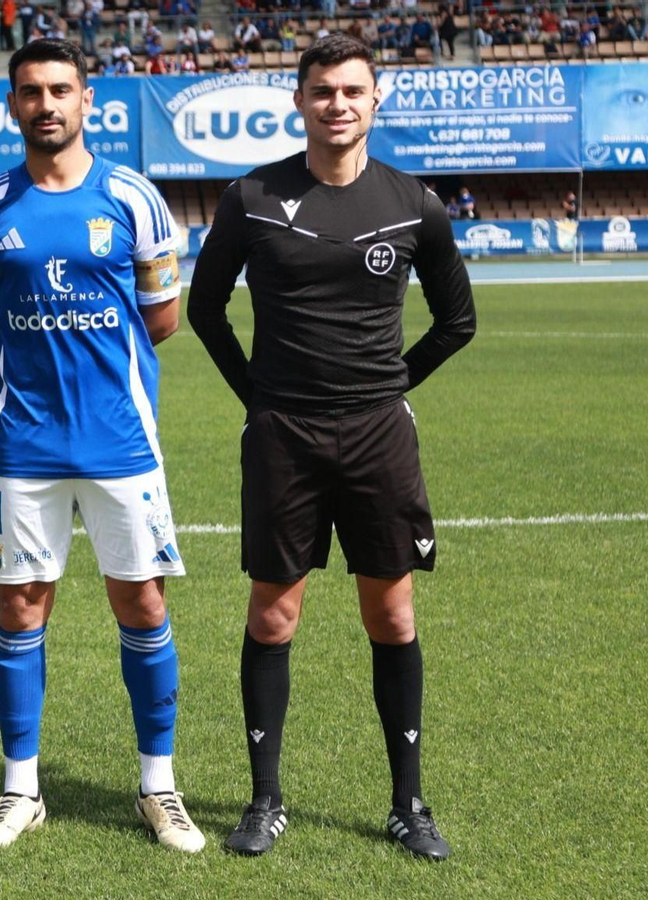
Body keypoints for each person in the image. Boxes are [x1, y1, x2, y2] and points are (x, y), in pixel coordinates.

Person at [186, 33, 476, 861]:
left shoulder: (415, 203)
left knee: (391, 613)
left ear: (375, 100)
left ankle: (408, 804)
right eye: (322, 91)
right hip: (283, 435)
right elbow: (207, 312)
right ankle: (264, 798)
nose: (337, 104)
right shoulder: (251, 198)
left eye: (352, 90)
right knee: (274, 615)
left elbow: (457, 322)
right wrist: (259, 400)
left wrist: (389, 389)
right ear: (300, 101)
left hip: (378, 437)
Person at [0, 37, 202, 856]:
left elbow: (162, 318)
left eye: (61, 90)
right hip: (24, 447)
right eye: (31, 92)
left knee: (143, 604)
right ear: (13, 106)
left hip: (122, 443)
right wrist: (24, 386)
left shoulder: (133, 197)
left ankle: (157, 786)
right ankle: (20, 791)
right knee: (21, 607)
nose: (46, 104)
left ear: (87, 101)